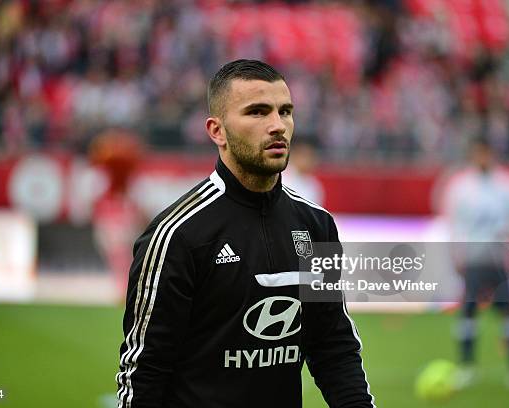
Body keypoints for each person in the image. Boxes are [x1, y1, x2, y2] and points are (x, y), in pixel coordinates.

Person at [116, 59, 374, 407]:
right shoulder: (176, 234)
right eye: (257, 112)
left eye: (285, 112)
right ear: (216, 131)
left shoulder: (317, 226)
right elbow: (144, 370)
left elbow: (333, 344)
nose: (277, 125)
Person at [442, 137, 509, 392]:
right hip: (473, 258)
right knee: (468, 312)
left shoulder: (508, 184)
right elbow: (454, 223)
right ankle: (467, 367)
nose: (483, 158)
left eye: (486, 153)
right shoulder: (461, 186)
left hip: (501, 258)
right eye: (478, 153)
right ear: (473, 155)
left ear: (493, 154)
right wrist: (455, 253)